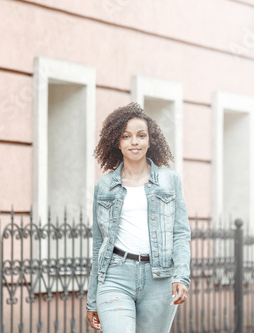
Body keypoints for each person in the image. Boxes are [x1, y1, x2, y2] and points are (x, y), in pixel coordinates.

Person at [86, 102, 191, 332]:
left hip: (160, 279)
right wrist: (92, 298)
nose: (134, 142)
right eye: (126, 136)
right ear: (117, 142)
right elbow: (98, 245)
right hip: (114, 276)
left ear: (149, 140)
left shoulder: (169, 180)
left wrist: (181, 276)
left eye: (141, 135)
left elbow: (181, 234)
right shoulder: (103, 187)